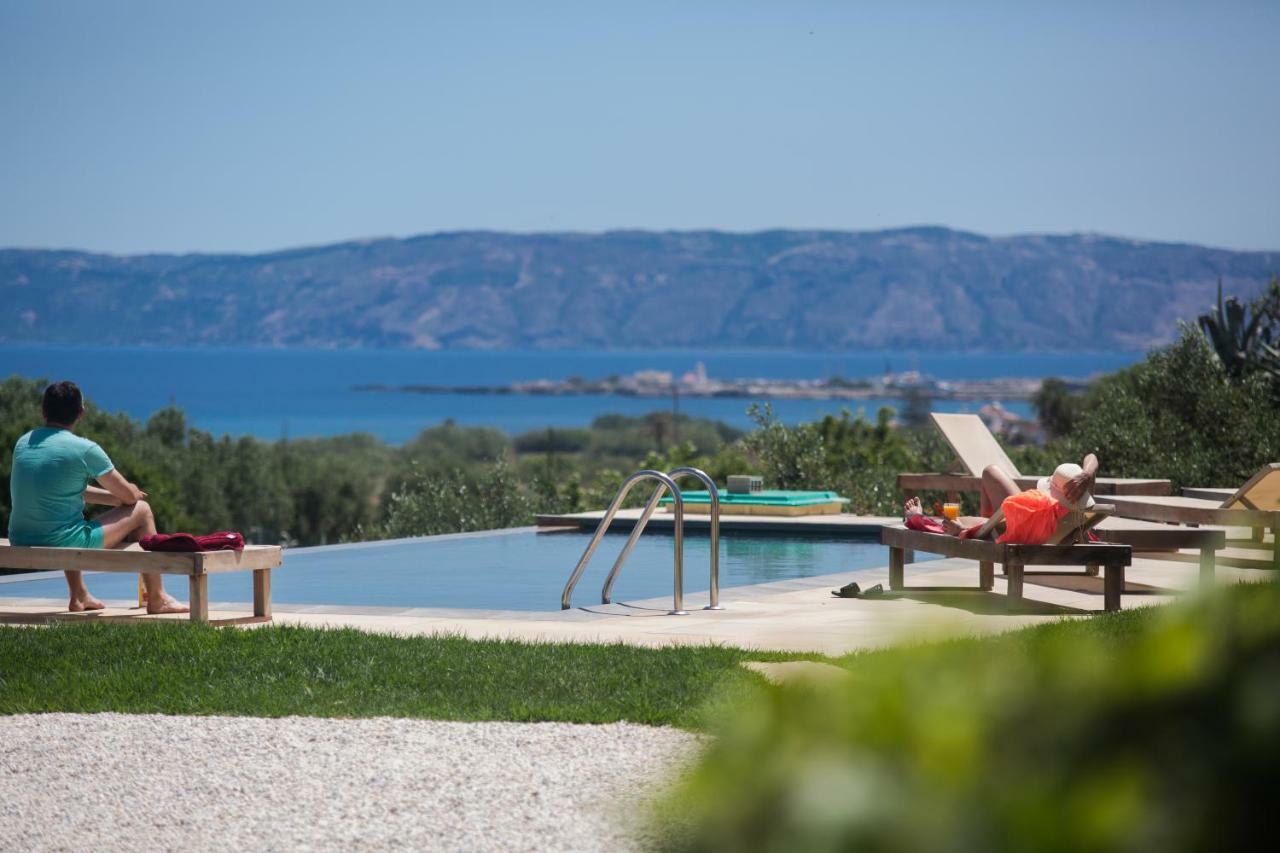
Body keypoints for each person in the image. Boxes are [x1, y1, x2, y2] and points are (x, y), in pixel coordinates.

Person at [7, 381, 188, 614]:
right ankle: (157, 597)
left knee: (66, 515)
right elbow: (129, 496)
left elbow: (62, 490)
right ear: (81, 413)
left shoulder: (24, 443)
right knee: (142, 510)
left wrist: (114, 501)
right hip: (62, 541)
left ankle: (79, 595)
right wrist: (130, 493)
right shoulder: (84, 449)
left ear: (43, 411)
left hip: (20, 537)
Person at [905, 454, 1099, 543]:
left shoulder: (1032, 511)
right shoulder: (1077, 499)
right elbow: (1092, 458)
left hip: (1024, 522)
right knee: (990, 476)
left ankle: (918, 517)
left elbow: (992, 528)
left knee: (989, 474)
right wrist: (1087, 475)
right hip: (1042, 524)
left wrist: (962, 529)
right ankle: (983, 528)